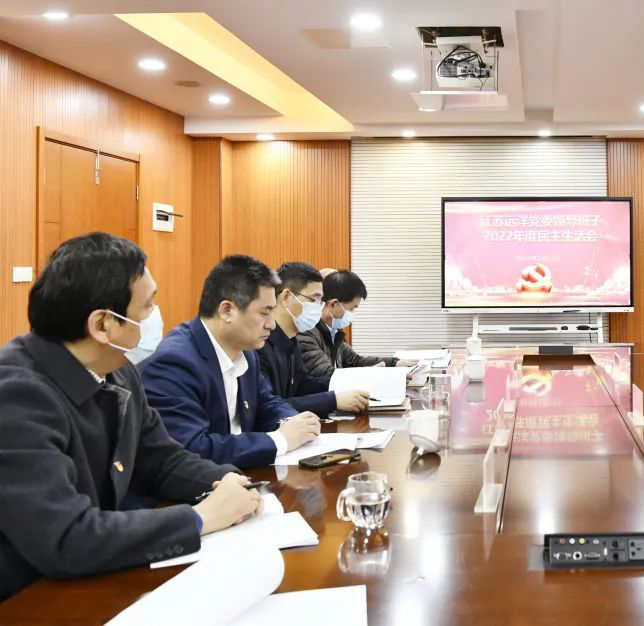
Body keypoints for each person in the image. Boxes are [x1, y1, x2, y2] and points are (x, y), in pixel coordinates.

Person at [0, 233, 261, 600]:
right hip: (28, 596)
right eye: (147, 306)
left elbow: (161, 459)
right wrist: (200, 518)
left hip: (95, 576)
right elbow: (67, 537)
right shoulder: (17, 395)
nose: (155, 317)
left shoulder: (118, 370)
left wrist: (226, 480)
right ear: (102, 325)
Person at [139, 255, 321, 468]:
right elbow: (192, 449)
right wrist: (280, 439)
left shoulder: (246, 352)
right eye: (264, 313)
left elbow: (267, 402)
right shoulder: (174, 362)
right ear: (227, 311)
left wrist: (292, 422)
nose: (272, 325)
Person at [256, 262, 369, 417]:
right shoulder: (259, 344)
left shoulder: (291, 340)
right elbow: (269, 406)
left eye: (321, 301)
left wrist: (352, 384)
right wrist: (334, 400)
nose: (319, 307)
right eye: (313, 300)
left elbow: (305, 384)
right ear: (287, 297)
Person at [297, 269, 414, 378]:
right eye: (351, 308)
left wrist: (394, 363)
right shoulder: (305, 332)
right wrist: (374, 375)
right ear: (333, 304)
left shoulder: (333, 331)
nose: (351, 314)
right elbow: (326, 375)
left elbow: (355, 361)